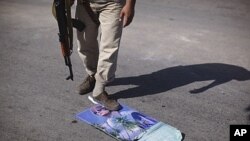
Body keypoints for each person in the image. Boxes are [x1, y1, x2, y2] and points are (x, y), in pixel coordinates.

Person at [71, 0, 136, 111]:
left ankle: (99, 89)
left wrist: (130, 5)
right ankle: (92, 75)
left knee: (109, 48)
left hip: (113, 4)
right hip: (85, 4)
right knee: (84, 44)